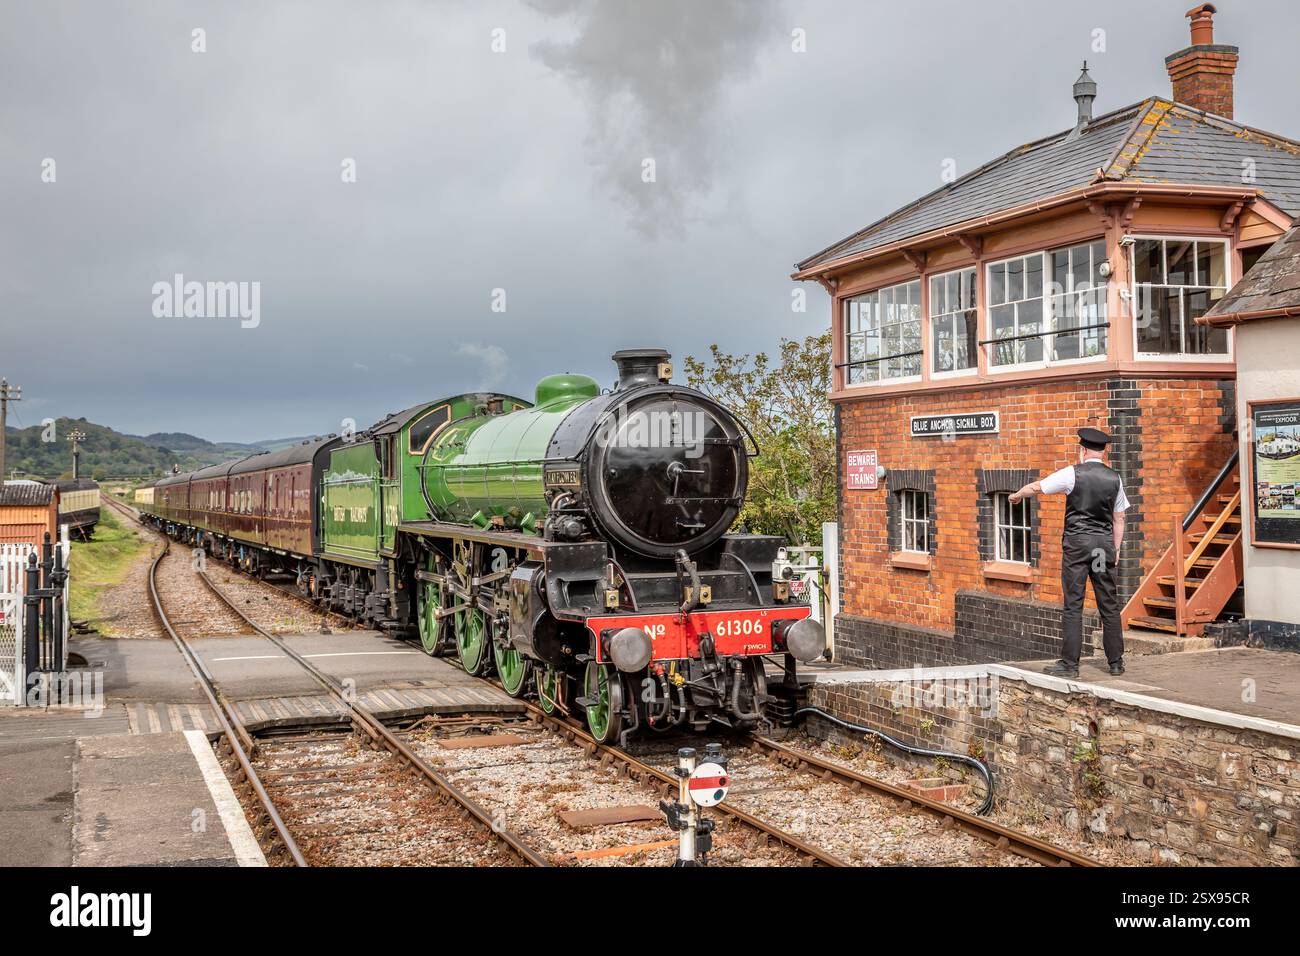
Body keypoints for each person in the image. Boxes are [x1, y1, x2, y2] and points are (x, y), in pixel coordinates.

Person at [1009, 427, 1128, 678]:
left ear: (1083, 450)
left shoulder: (1073, 473)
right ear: (1103, 452)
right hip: (1101, 548)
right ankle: (1116, 663)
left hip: (1077, 546)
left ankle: (1070, 665)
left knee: (1074, 603)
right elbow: (1120, 517)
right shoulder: (1114, 479)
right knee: (1108, 602)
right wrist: (1115, 549)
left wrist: (1017, 495)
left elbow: (1037, 487)